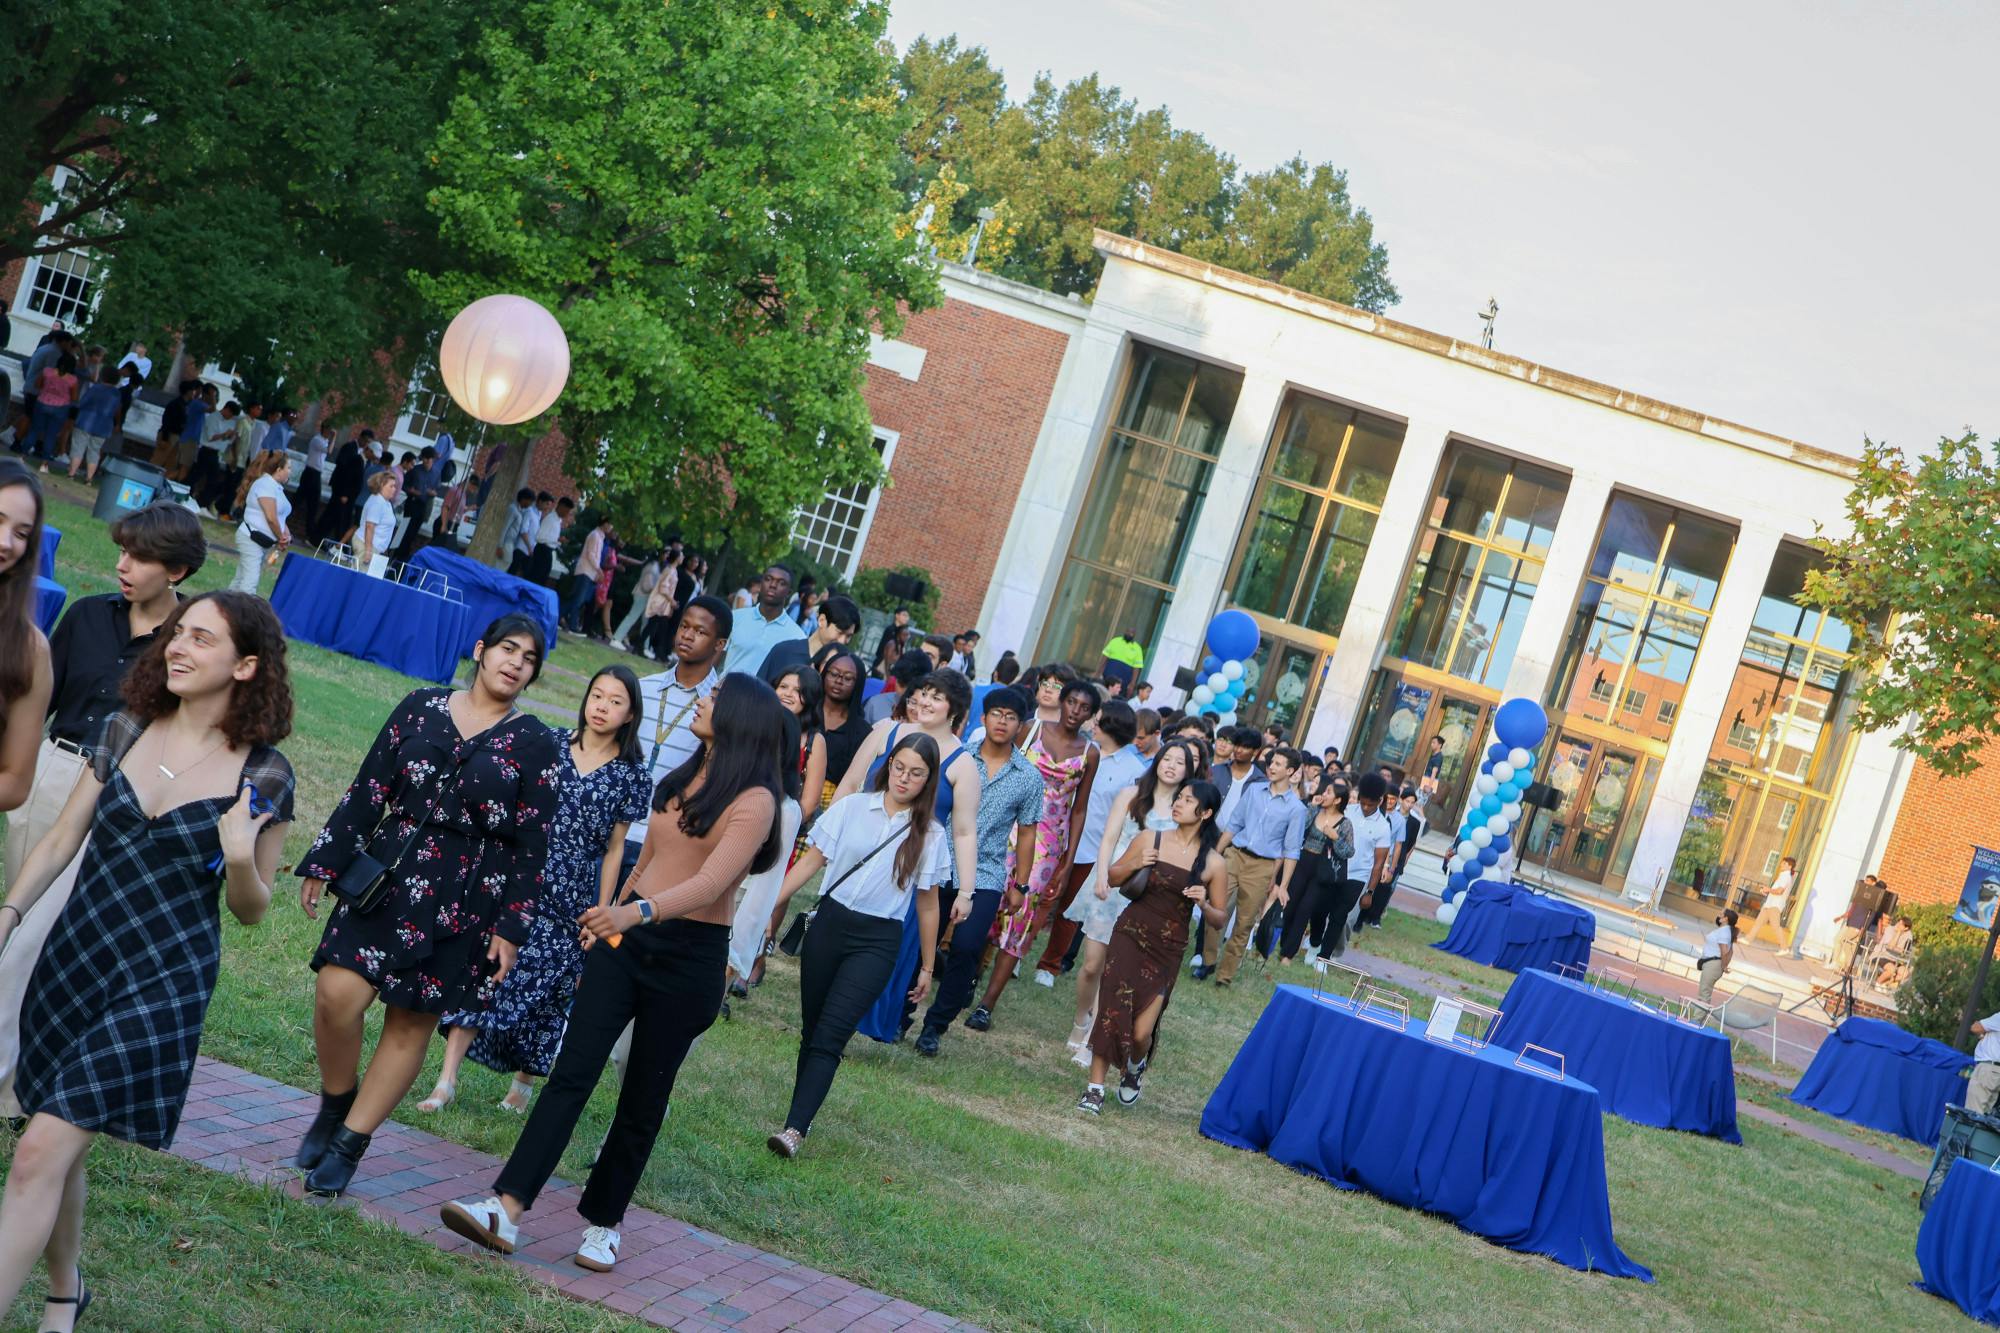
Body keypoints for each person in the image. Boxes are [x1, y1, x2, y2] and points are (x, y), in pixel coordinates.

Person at [0, 592, 294, 1331]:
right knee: (52, 1133)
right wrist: (8, 912)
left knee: (38, 1147)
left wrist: (236, 857)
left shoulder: (265, 773)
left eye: (201, 636)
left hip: (161, 981)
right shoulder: (126, 726)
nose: (177, 646)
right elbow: (65, 838)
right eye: (175, 632)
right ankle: (65, 1290)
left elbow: (253, 909)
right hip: (77, 957)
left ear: (247, 663)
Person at [440, 676, 786, 1271]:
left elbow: (711, 883)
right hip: (625, 942)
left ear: (740, 720)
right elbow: (645, 862)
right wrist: (611, 921)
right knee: (571, 1074)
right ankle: (506, 1207)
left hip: (689, 955)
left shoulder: (756, 800)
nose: (703, 701)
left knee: (642, 1098)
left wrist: (635, 910)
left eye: (716, 698)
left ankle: (604, 1223)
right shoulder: (678, 782)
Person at [293, 615, 562, 1196]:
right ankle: (337, 1101)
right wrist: (325, 860)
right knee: (337, 992)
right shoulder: (421, 705)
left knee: (410, 1021)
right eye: (507, 649)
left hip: (469, 894)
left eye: (529, 658)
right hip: (389, 872)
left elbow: (533, 844)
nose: (515, 662)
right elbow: (369, 789)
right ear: (481, 650)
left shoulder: (537, 742)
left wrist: (511, 928)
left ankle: (350, 1144)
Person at [1, 502, 204, 1116]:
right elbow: (41, 700)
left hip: (109, 795)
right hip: (45, 772)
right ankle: (24, 1087)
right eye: (121, 550)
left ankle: (10, 1090)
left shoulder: (186, 644)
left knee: (32, 936)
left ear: (176, 571)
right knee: (18, 922)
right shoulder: (87, 614)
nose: (123, 565)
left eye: (140, 557)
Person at [423, 667, 653, 1114]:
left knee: (547, 995)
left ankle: (522, 1086)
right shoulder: (549, 742)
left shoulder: (631, 776)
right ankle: (445, 1081)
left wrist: (601, 912)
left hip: (574, 897)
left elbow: (614, 849)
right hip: (520, 881)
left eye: (615, 701)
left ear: (630, 715)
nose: (602, 707)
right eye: (597, 696)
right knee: (484, 976)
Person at [766, 733, 953, 1156]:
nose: (905, 779)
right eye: (900, 768)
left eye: (917, 773)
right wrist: (765, 907)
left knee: (832, 1034)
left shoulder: (930, 835)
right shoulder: (851, 808)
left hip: (877, 940)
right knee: (813, 1030)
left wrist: (926, 966)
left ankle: (794, 1130)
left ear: (929, 780)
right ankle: (801, 1116)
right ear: (889, 766)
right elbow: (811, 863)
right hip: (829, 926)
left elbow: (927, 906)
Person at [1077, 780, 1228, 1114]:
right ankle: (1094, 1088)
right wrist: (1134, 863)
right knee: (1111, 1013)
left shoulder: (1214, 863)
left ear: (1205, 813)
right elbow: (1112, 878)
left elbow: (1219, 920)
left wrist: (1204, 904)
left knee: (1142, 1032)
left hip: (1169, 948)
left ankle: (1134, 1067)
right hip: (1129, 934)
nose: (1178, 803)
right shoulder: (1150, 838)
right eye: (1179, 798)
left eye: (1188, 800)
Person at [914, 688, 1045, 1056]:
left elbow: (1029, 832)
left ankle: (935, 1025)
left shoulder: (1028, 777)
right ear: (983, 718)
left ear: (1021, 725)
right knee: (922, 940)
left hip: (986, 872)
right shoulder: (955, 757)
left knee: (968, 946)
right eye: (996, 713)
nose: (1002, 722)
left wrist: (1020, 883)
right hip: (938, 861)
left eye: (1011, 717)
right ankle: (904, 1011)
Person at [1063, 737, 1204, 1058]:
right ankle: (1081, 1018)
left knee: (1116, 970)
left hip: (1144, 897)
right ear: (1158, 761)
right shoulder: (1131, 795)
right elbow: (1108, 838)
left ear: (1189, 770)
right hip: (1110, 884)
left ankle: (1093, 1041)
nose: (1171, 766)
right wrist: (1101, 876)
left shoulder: (1183, 810)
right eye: (1167, 758)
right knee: (1091, 965)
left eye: (1180, 762)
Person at [971, 680, 1100, 1028]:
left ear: (1091, 714)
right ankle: (968, 976)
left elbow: (1079, 810)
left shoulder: (1090, 752)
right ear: (1061, 701)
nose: (1075, 710)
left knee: (1021, 919)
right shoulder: (1030, 730)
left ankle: (987, 1004)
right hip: (1006, 827)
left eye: (1083, 706)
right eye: (1071, 701)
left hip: (1048, 844)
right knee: (986, 901)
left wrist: (1067, 861)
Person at [725, 666, 824, 997]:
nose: (788, 693)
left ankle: (745, 965)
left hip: (769, 843)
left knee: (759, 902)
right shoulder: (752, 733)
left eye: (797, 690)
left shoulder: (810, 745)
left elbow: (807, 801)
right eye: (783, 685)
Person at [622, 596, 732, 889]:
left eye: (700, 631)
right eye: (684, 626)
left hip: (664, 843)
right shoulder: (642, 688)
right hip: (617, 830)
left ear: (719, 645)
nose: (687, 635)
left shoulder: (718, 707)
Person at [1034, 701, 1143, 988]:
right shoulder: (1082, 751)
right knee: (1040, 899)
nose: (1092, 723)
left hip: (1093, 850)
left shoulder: (1133, 769)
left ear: (1113, 726)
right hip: (1055, 838)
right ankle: (1018, 954)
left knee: (1070, 910)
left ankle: (1050, 964)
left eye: (1098, 719)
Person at [1205, 748, 1307, 986]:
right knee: (1216, 910)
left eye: (1279, 764)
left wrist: (1283, 885)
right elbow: (1234, 824)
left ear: (1290, 771)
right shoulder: (1253, 790)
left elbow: (1291, 850)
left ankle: (1225, 975)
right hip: (1234, 855)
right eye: (1272, 762)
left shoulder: (1296, 808)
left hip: (1262, 867)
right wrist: (1216, 855)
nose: (1271, 766)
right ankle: (1207, 962)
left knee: (1244, 923)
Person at [1319, 771, 1394, 960]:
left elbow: (1378, 863)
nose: (1366, 807)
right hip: (1335, 870)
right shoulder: (1348, 811)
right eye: (1363, 803)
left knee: (1343, 919)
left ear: (1380, 800)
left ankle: (1328, 955)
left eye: (1371, 804)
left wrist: (1370, 891)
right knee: (1321, 910)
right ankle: (1315, 943)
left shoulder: (1383, 827)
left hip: (1358, 877)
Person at [1278, 777, 1352, 963]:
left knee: (1305, 910)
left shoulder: (1345, 823)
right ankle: (1284, 944)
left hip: (1321, 870)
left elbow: (1349, 852)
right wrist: (1311, 806)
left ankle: (1288, 953)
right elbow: (1298, 830)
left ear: (1337, 800)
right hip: (1302, 862)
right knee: (1290, 907)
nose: (1323, 794)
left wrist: (1335, 838)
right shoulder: (1314, 810)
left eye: (1328, 792)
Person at [723, 564, 807, 678]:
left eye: (781, 583)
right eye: (768, 579)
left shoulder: (797, 636)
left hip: (763, 696)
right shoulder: (735, 617)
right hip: (723, 692)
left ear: (789, 592)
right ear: (761, 584)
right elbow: (714, 659)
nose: (773, 585)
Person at [229, 452, 293, 595]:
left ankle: (225, 608)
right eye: (288, 468)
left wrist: (286, 534)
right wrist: (280, 538)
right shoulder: (265, 485)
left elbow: (279, 516)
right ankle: (241, 614)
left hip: (261, 541)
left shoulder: (275, 487)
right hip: (251, 538)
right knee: (250, 581)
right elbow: (270, 517)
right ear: (278, 469)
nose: (290, 472)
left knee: (241, 578)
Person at [759, 594, 859, 683]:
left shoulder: (841, 670)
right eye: (839, 632)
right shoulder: (784, 652)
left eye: (849, 636)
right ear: (822, 620)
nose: (842, 641)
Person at [816, 650, 872, 801]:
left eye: (848, 678)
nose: (839, 681)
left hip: (831, 803)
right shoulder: (805, 711)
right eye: (833, 674)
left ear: (858, 684)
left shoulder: (863, 732)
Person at [63, 367, 120, 483]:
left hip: (86, 421)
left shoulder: (95, 388)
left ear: (103, 376)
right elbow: (117, 410)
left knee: (78, 447)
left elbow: (82, 402)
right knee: (94, 451)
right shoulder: (117, 394)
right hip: (104, 426)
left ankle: (71, 474)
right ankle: (89, 478)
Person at [23, 353, 78, 467]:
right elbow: (74, 398)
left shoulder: (47, 372)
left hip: (42, 402)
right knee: (51, 435)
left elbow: (37, 384)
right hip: (61, 408)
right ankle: (44, 463)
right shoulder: (73, 380)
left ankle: (22, 456)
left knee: (34, 430)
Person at [561, 515, 613, 634]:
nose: (611, 527)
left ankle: (559, 616)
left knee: (577, 599)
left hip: (589, 572)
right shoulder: (595, 535)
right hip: (585, 570)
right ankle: (572, 625)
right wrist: (599, 570)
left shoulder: (600, 537)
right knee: (578, 600)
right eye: (610, 524)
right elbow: (591, 555)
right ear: (604, 524)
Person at [394, 446, 441, 562]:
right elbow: (403, 485)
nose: (425, 462)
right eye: (424, 459)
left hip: (423, 506)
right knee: (404, 529)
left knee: (413, 533)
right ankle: (393, 552)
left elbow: (437, 490)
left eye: (428, 459)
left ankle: (403, 557)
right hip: (412, 503)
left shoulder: (436, 473)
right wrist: (411, 491)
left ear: (432, 460)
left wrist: (433, 493)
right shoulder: (415, 470)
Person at [1831, 877, 1884, 974]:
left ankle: (1848, 966)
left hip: (1858, 925)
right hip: (1853, 923)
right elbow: (1853, 910)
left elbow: (1872, 916)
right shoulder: (1865, 895)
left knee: (1845, 941)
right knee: (1849, 945)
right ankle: (1848, 967)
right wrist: (1841, 917)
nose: (1865, 883)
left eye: (1868, 881)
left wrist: (1863, 927)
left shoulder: (1874, 899)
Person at [355, 468, 400, 578]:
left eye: (395, 486)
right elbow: (369, 527)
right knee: (361, 579)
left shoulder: (386, 503)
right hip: (367, 546)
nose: (394, 489)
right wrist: (368, 551)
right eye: (391, 486)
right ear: (381, 486)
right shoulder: (377, 501)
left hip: (377, 548)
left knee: (371, 581)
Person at [1747, 856, 1797, 948]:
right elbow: (1775, 891)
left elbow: (1779, 891)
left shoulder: (1786, 876)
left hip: (1775, 906)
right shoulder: (1782, 875)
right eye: (1782, 863)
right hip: (1769, 904)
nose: (1781, 864)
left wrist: (1768, 889)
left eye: (1784, 863)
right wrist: (1766, 891)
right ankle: (1748, 939)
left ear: (1790, 866)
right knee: (1758, 923)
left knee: (1776, 927)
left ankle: (1784, 948)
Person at [1696, 909, 1739, 1004]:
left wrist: (1724, 966)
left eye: (1721, 914)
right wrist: (1724, 966)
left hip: (1713, 964)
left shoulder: (1724, 932)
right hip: (1712, 964)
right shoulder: (1726, 931)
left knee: (1704, 995)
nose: (1718, 915)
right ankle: (1698, 1017)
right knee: (1704, 993)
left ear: (1725, 919)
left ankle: (1697, 1018)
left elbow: (1724, 952)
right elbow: (1731, 951)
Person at [495, 488, 538, 575]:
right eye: (530, 501)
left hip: (511, 544)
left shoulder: (519, 511)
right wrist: (500, 546)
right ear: (524, 499)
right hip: (506, 543)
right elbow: (504, 528)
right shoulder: (513, 509)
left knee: (505, 566)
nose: (530, 505)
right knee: (501, 567)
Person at [530, 496, 571, 584]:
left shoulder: (557, 521)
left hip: (548, 551)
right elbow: (539, 537)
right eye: (567, 511)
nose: (567, 514)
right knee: (536, 578)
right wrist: (557, 540)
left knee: (542, 578)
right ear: (561, 506)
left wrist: (558, 539)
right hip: (542, 550)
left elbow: (549, 537)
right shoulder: (550, 519)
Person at [1968, 1010, 2000, 1117]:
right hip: (1996, 1072)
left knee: (1973, 1113)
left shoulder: (1998, 1017)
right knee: (1984, 1115)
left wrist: (1983, 1034)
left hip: (1987, 1068)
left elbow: (1975, 1027)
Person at [1100, 628, 1144, 694]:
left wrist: (1132, 684)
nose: (1130, 634)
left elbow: (1136, 669)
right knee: (1103, 693)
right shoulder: (1115, 641)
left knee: (1116, 698)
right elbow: (1104, 658)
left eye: (1132, 633)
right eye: (1128, 631)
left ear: (1135, 635)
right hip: (1108, 677)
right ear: (1125, 631)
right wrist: (1098, 672)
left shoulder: (1137, 648)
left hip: (1123, 682)